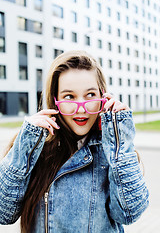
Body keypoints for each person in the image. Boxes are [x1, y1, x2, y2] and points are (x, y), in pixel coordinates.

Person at [0, 50, 149, 233]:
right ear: (55, 101)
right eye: (69, 96)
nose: (81, 108)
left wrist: (119, 139)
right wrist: (26, 144)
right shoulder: (35, 145)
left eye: (90, 95)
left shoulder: (111, 150)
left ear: (104, 98)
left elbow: (129, 213)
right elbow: (3, 212)